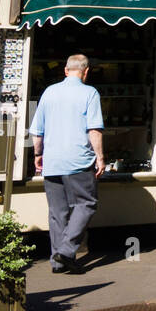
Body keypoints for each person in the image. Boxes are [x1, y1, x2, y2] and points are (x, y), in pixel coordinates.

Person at [29, 54, 105, 273]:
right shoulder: (90, 93)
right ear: (86, 71)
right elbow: (94, 130)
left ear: (65, 70)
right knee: (86, 204)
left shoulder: (49, 92)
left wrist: (38, 154)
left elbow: (38, 131)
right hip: (78, 160)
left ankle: (57, 262)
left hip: (52, 161)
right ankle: (66, 250)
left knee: (57, 212)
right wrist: (100, 157)